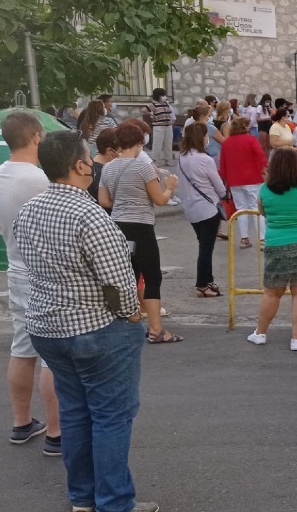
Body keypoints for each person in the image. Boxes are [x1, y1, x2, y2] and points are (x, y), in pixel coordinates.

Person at [15, 130, 156, 512]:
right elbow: (119, 281)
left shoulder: (31, 209)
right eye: (88, 159)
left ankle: (83, 494)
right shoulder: (90, 214)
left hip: (47, 326)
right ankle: (115, 503)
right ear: (79, 165)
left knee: (75, 411)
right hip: (95, 328)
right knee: (112, 414)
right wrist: (133, 314)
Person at [0, 111, 61, 455]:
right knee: (52, 356)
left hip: (15, 268)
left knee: (22, 347)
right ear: (35, 137)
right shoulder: (38, 178)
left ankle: (21, 422)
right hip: (43, 273)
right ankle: (56, 432)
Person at [99, 122, 181, 344]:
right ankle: (156, 330)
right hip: (141, 226)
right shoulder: (142, 167)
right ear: (139, 142)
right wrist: (171, 186)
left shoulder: (108, 168)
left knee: (127, 277)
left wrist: (124, 201)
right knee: (152, 276)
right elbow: (160, 199)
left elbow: (104, 201)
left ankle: (124, 324)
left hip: (117, 227)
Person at [247, 149, 297, 351]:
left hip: (276, 244)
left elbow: (263, 212)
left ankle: (260, 333)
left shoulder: (264, 189)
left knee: (272, 293)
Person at [176, 123, 226, 298]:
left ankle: (208, 279)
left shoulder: (181, 158)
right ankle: (202, 284)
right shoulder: (205, 159)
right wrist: (223, 194)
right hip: (208, 208)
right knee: (206, 248)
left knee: (204, 245)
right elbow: (218, 185)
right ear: (201, 138)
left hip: (191, 209)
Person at [218, 117, 267, 248]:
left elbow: (222, 164)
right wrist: (265, 169)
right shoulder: (251, 140)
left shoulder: (227, 143)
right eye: (247, 126)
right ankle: (262, 239)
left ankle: (244, 238)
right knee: (257, 209)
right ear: (244, 127)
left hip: (234, 180)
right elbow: (261, 156)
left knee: (241, 209)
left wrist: (225, 179)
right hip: (253, 179)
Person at [146, 87, 175, 168]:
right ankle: (155, 160)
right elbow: (144, 110)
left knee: (168, 143)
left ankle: (168, 160)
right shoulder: (153, 104)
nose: (164, 97)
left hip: (168, 125)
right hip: (159, 126)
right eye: (163, 95)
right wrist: (152, 114)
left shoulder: (166, 103)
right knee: (157, 144)